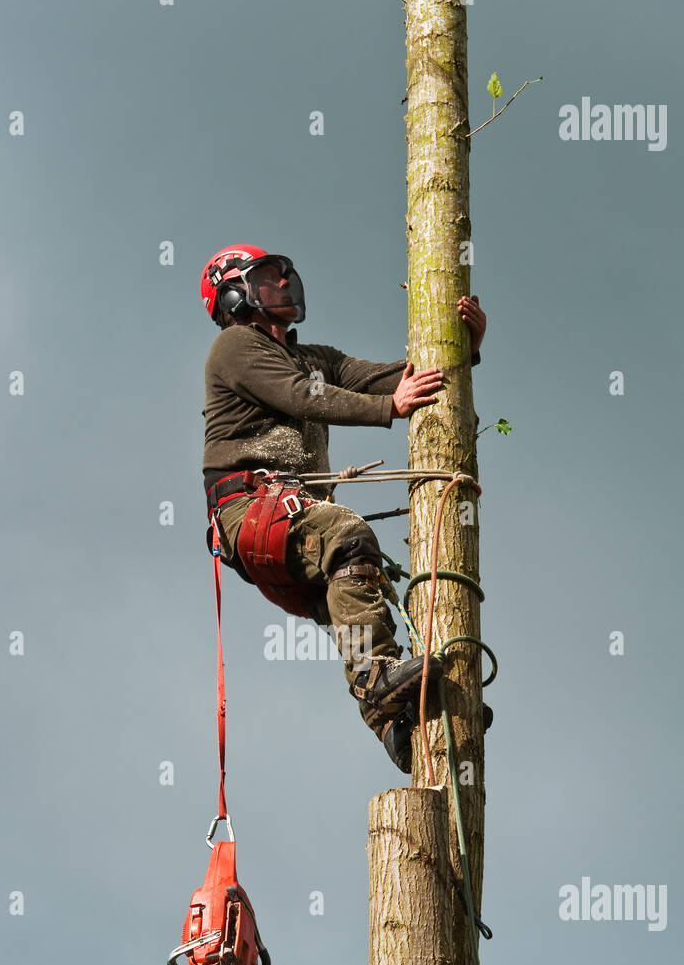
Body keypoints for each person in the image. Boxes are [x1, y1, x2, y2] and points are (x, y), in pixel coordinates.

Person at [200, 244, 487, 772]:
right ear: (235, 294)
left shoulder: (315, 359)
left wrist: (462, 351)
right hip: (252, 511)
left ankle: (396, 724)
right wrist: (388, 410)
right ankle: (378, 680)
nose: (284, 285)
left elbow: (396, 378)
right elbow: (300, 397)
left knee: (351, 598)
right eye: (267, 277)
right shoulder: (235, 348)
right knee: (347, 535)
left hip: (287, 522)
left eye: (286, 276)